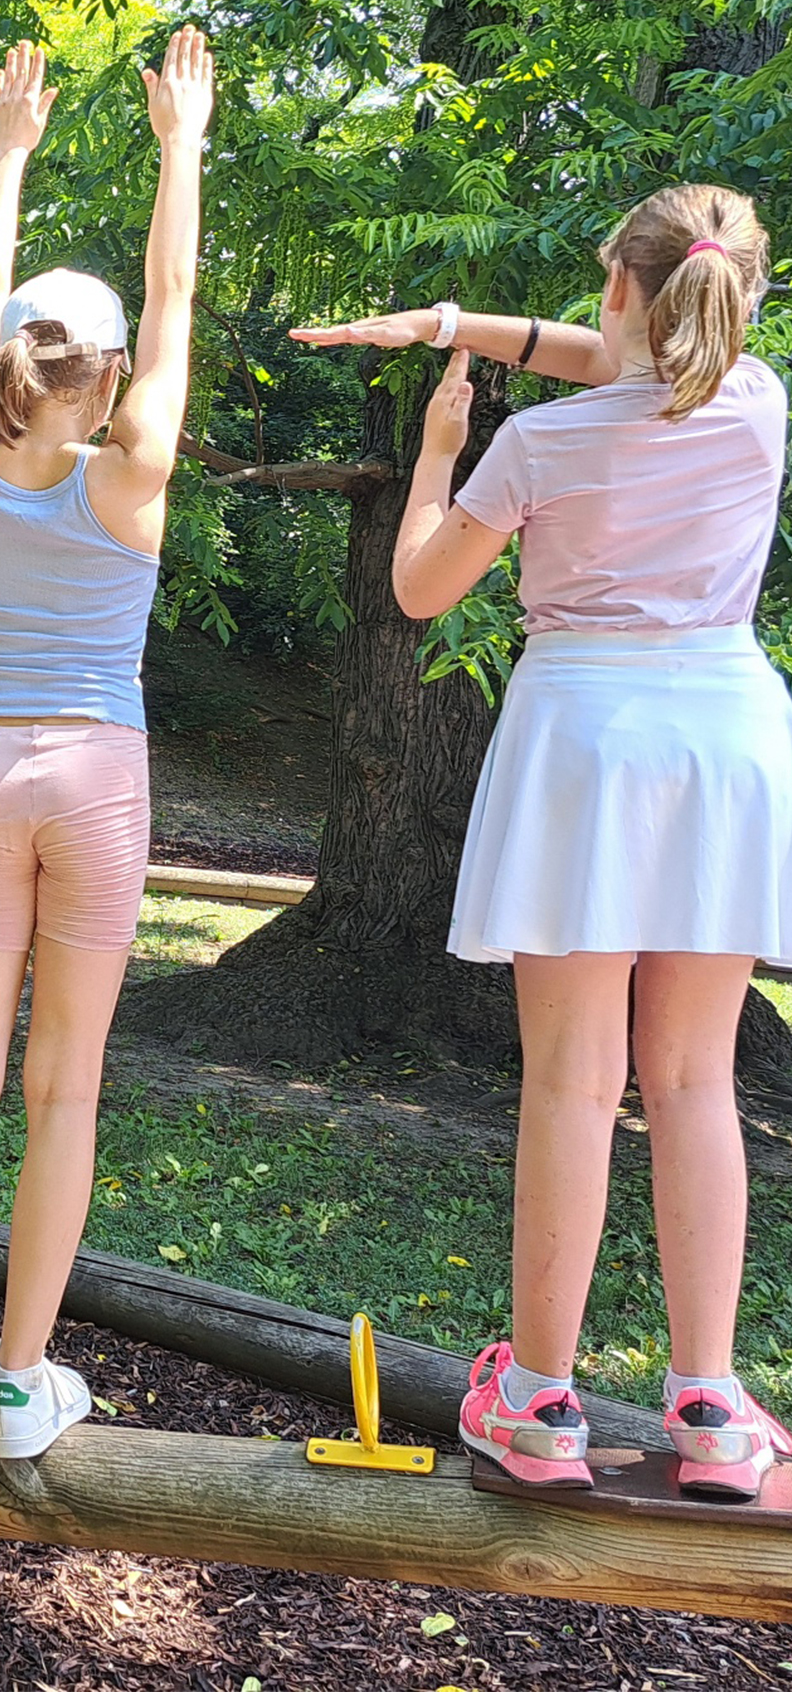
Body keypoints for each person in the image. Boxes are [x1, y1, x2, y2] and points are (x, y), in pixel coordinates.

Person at [294, 186, 790, 1501]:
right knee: (693, 1081)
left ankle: (539, 1400)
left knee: (576, 1081)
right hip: (727, 739)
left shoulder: (542, 449)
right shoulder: (761, 407)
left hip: (588, 739)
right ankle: (714, 1409)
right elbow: (641, 357)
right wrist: (462, 322)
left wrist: (438, 453)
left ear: (621, 290)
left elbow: (416, 591)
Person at [0, 30, 212, 1455]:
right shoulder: (133, 472)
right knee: (61, 1086)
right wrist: (181, 145)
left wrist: (5, 154)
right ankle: (20, 1382)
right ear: (113, 378)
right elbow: (175, 287)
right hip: (97, 774)